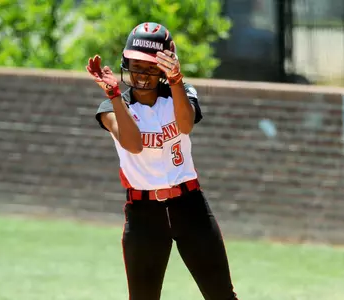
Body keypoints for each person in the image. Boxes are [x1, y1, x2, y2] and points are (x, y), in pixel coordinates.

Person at [87, 22, 239, 300]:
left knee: (221, 295)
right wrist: (112, 95)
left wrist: (177, 80)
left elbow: (185, 125)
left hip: (189, 206)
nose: (142, 74)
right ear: (125, 61)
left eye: (150, 66)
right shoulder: (112, 107)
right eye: (135, 64)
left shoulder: (180, 93)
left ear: (164, 68)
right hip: (144, 214)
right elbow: (133, 145)